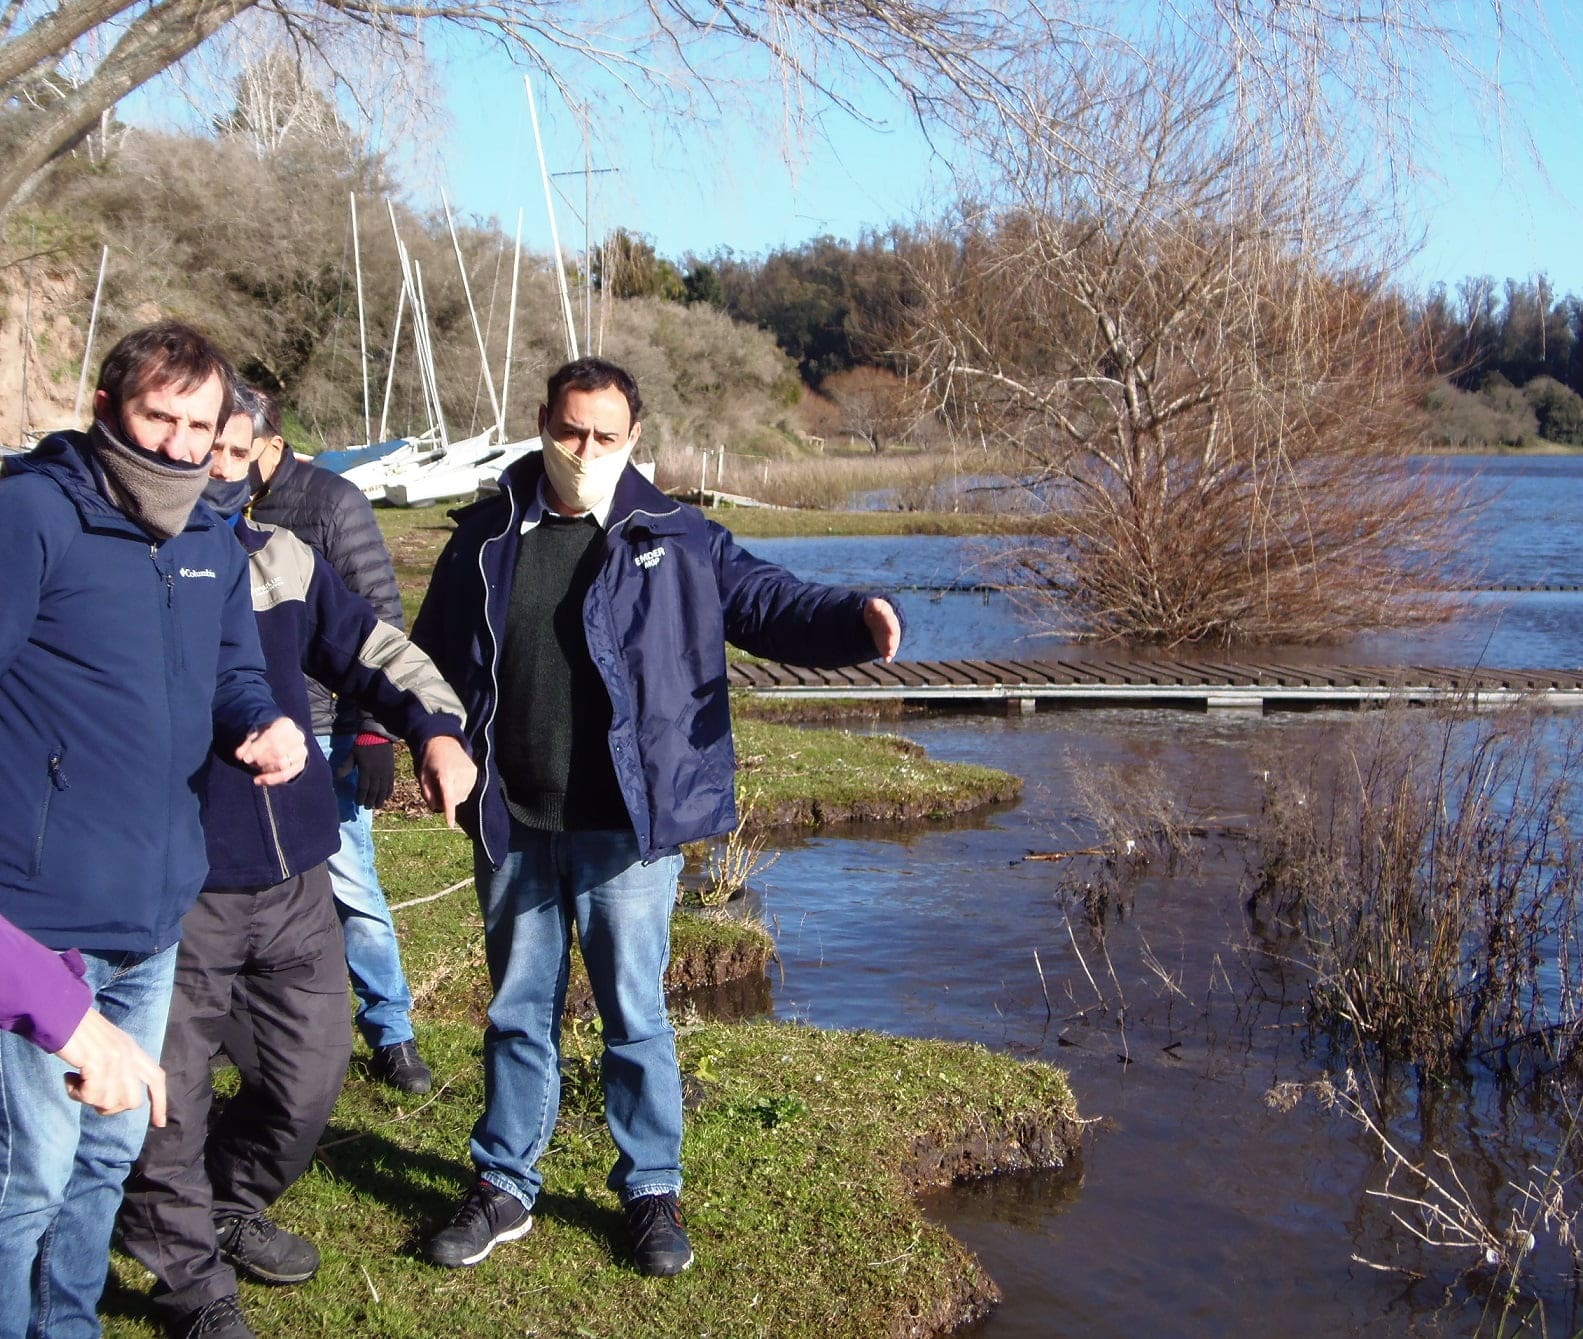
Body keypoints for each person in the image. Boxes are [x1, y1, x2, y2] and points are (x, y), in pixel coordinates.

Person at [411, 357, 903, 1277]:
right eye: (568, 431)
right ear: (541, 424)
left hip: (627, 830)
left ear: (634, 437)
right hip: (512, 821)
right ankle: (505, 1182)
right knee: (519, 1008)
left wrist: (852, 619)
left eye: (605, 435)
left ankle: (649, 1188)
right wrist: (422, 739)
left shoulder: (678, 536)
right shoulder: (482, 537)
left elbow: (770, 602)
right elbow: (428, 663)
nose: (584, 450)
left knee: (634, 1013)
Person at [118, 386, 477, 1339]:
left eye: (235, 451)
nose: (218, 468)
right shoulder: (129, 564)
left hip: (296, 876)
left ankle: (227, 1204)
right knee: (174, 1097)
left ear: (258, 456)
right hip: (181, 885)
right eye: (202, 447)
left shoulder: (285, 559)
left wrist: (437, 731)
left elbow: (373, 648)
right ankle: (190, 1282)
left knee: (307, 1081)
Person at [0, 321, 306, 1339]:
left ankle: (69, 1324)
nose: (179, 444)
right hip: (37, 908)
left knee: (106, 1153)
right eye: (156, 418)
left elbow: (231, 668)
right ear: (103, 408)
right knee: (27, 1173)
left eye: (198, 424)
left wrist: (257, 720)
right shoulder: (31, 516)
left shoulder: (211, 532)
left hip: (157, 903)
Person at [244, 390, 434, 1094]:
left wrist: (374, 728)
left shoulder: (332, 501)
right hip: (243, 731)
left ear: (271, 441)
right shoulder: (207, 503)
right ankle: (255, 1032)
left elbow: (378, 616)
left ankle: (392, 1031)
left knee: (352, 887)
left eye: (242, 452)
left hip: (325, 728)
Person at [0, 912, 167, 1123]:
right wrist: (56, 1004)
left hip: (155, 929)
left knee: (118, 1139)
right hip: (41, 930)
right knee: (44, 1144)